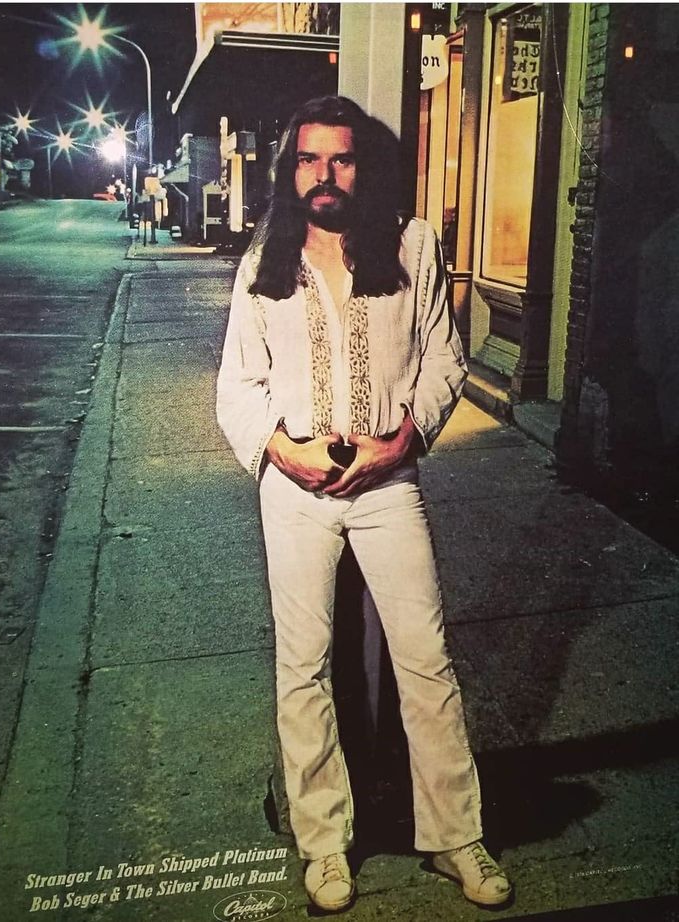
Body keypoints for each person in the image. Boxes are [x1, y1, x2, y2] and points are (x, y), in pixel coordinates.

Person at [216, 95, 512, 913]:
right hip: (295, 490)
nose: (324, 175)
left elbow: (442, 360)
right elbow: (236, 384)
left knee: (426, 660)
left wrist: (401, 441)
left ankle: (455, 837)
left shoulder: (412, 244)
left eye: (339, 159)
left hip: (387, 486)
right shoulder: (264, 256)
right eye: (309, 160)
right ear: (291, 170)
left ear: (361, 165)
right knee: (301, 669)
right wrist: (284, 449)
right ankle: (323, 846)